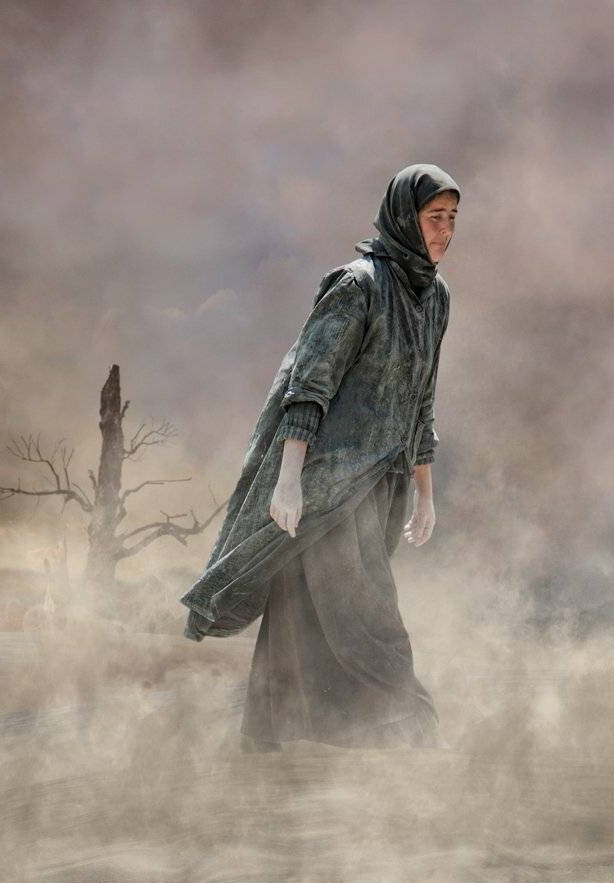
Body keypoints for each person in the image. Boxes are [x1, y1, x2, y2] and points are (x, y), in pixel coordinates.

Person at [178, 163, 460, 752]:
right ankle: (414, 738)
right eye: (436, 218)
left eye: (453, 219)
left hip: (382, 486)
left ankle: (272, 744)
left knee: (301, 611)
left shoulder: (435, 298)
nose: (446, 231)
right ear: (407, 218)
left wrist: (426, 492)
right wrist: (288, 480)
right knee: (370, 620)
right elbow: (308, 385)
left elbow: (421, 399)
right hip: (329, 486)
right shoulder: (357, 286)